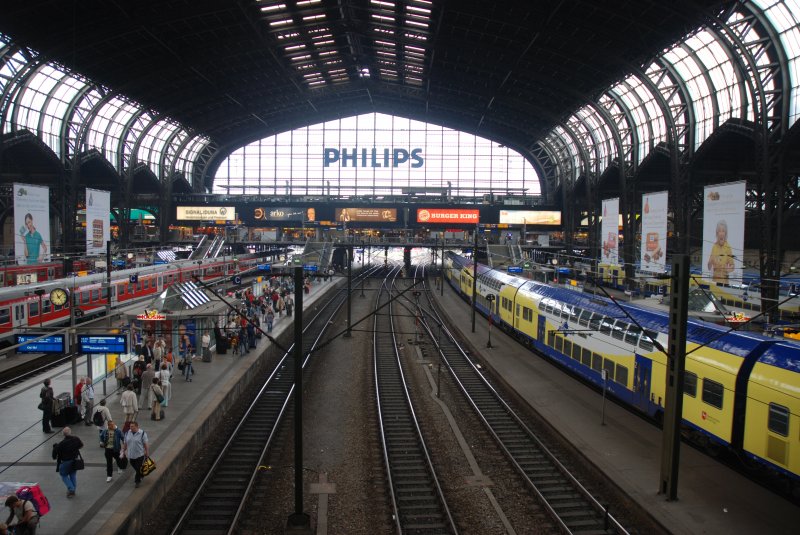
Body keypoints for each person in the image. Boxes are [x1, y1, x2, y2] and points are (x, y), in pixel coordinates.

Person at [54, 427, 83, 498]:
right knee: (73, 475)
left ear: (63, 434)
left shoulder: (62, 443)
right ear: (70, 432)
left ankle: (71, 489)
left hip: (66, 462)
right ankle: (73, 491)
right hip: (75, 461)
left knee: (63, 475)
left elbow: (57, 453)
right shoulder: (76, 439)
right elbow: (81, 445)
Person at [121, 421, 149, 488]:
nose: (130, 428)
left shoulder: (142, 433)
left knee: (138, 468)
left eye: (132, 426)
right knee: (136, 468)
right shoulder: (127, 433)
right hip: (131, 455)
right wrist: (123, 451)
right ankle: (141, 474)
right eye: (130, 426)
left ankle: (137, 481)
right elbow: (125, 443)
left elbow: (146, 444)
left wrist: (147, 452)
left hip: (139, 455)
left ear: (136, 426)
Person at [707, 219, 734, 284]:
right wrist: (710, 262)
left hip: (724, 282)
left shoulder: (728, 247)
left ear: (725, 233)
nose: (721, 233)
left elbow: (732, 266)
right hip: (714, 280)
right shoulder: (714, 246)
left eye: (723, 231)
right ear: (717, 233)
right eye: (719, 231)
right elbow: (709, 267)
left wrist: (728, 270)